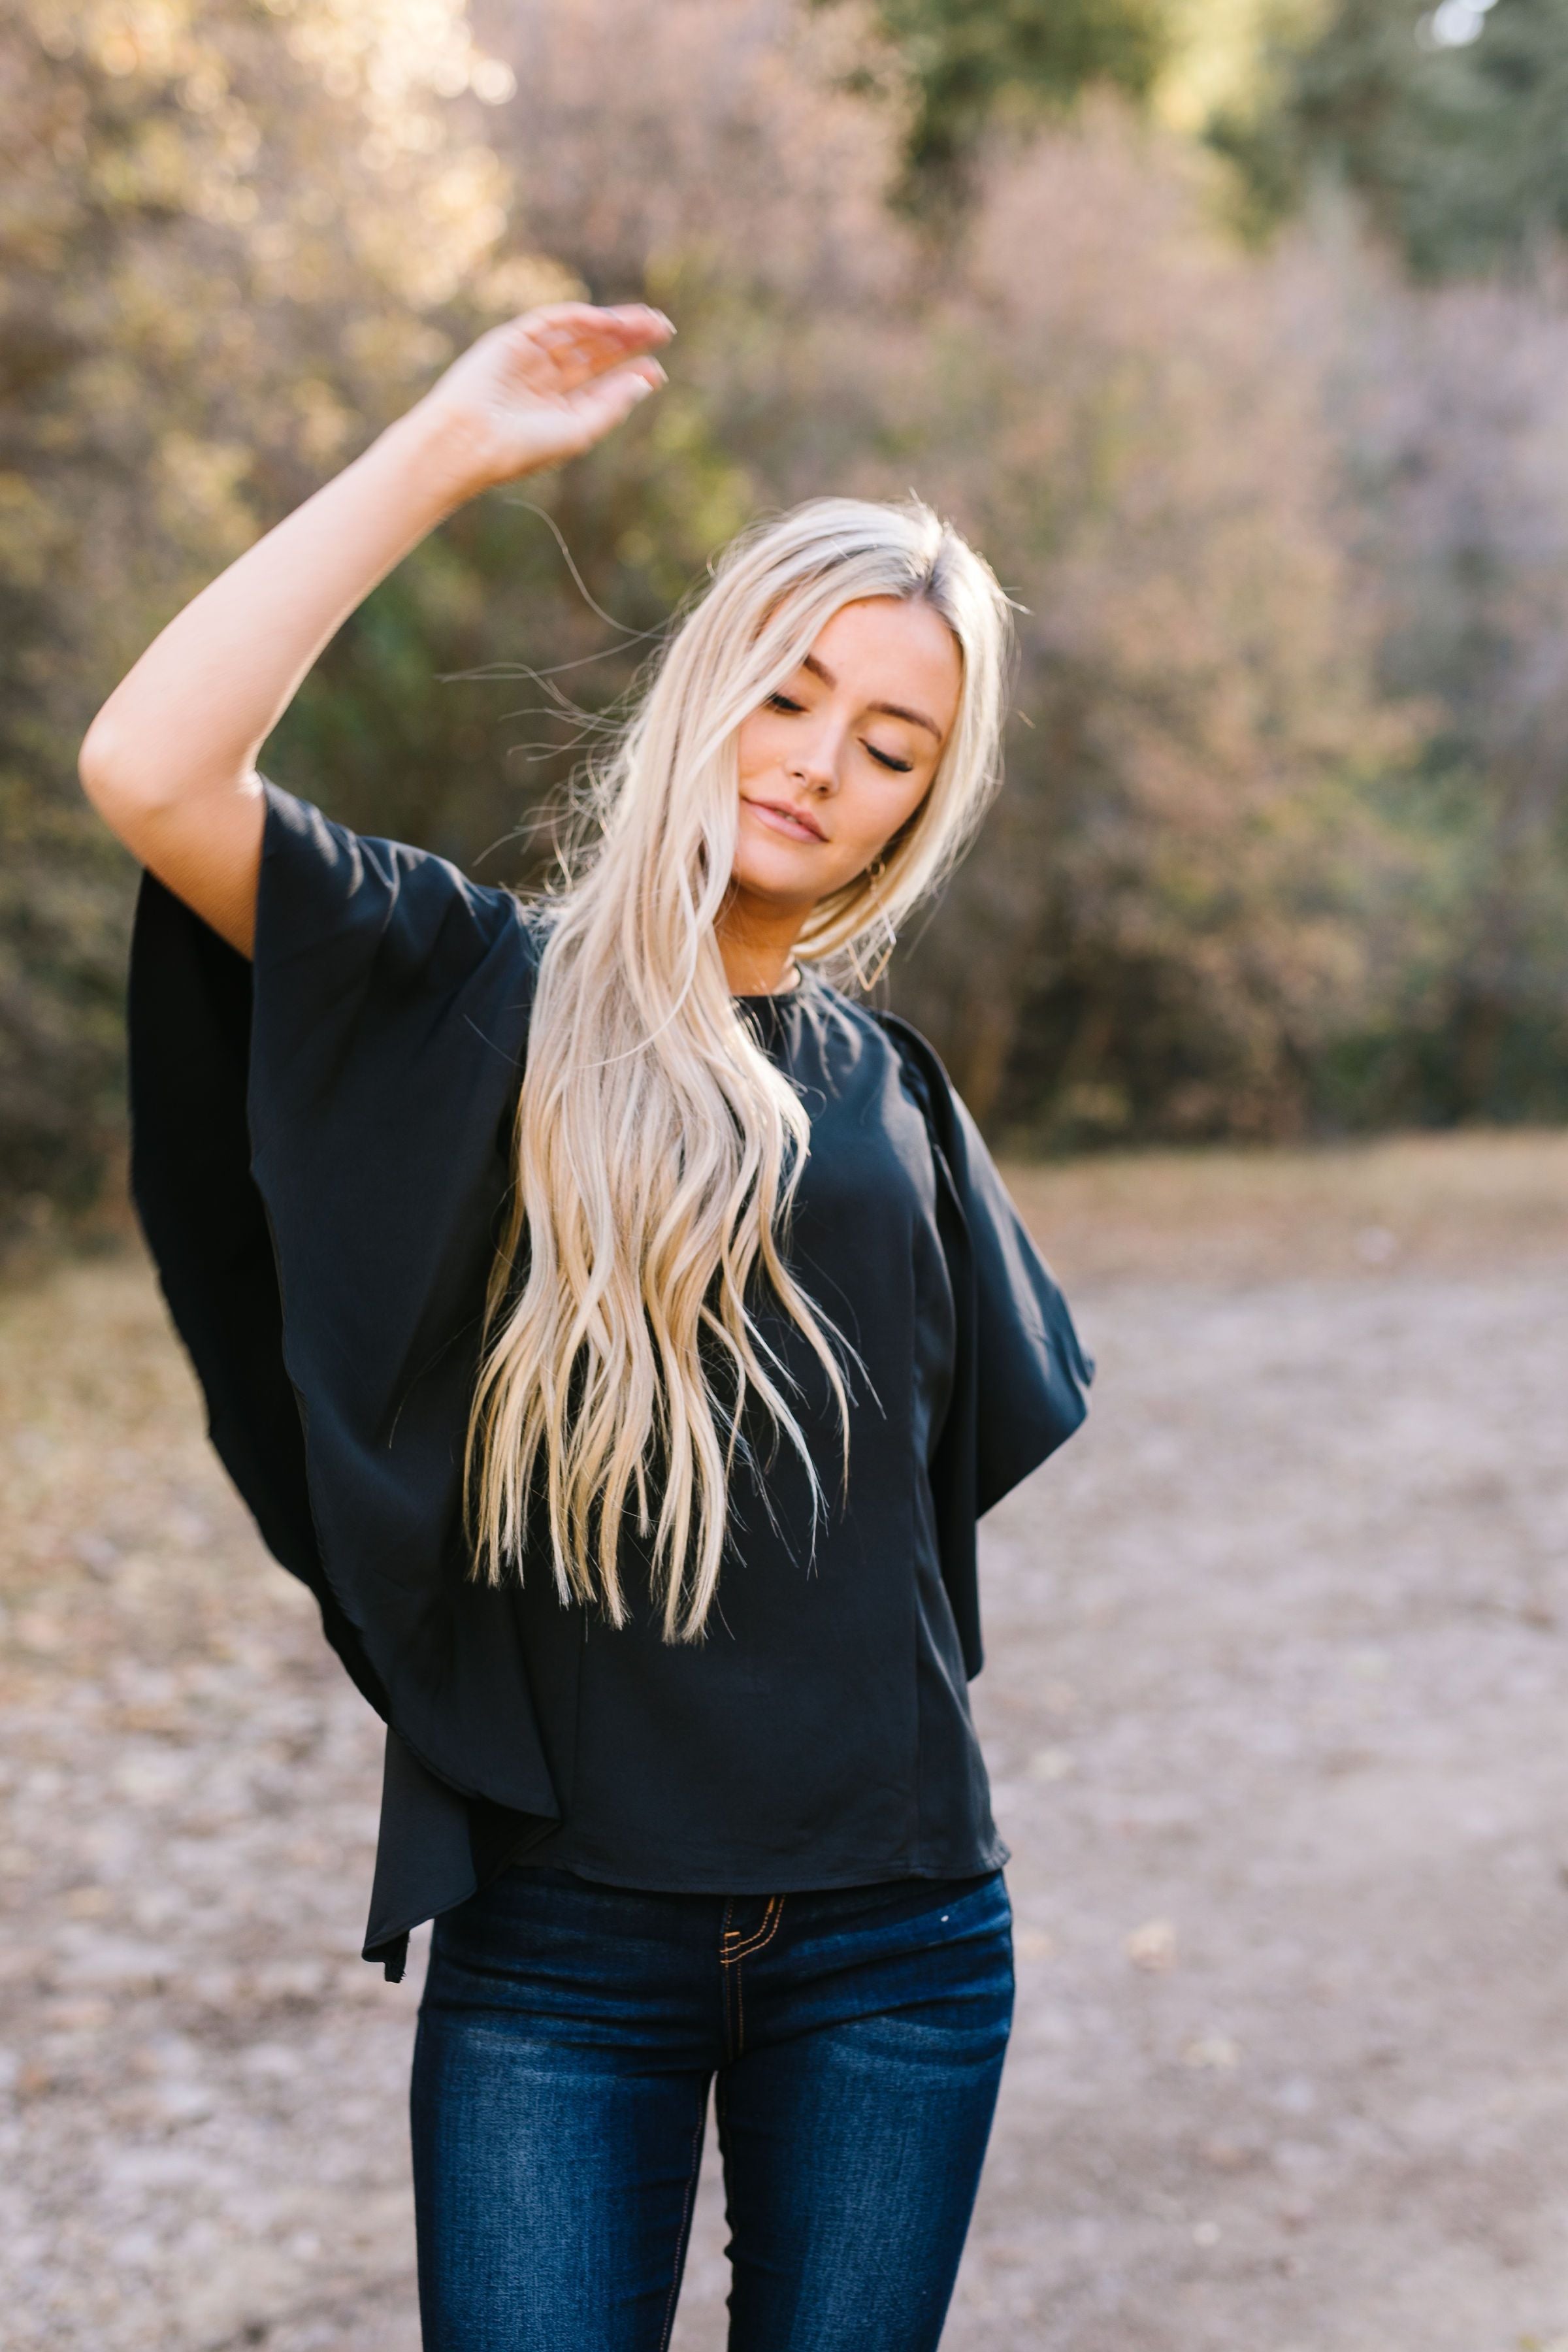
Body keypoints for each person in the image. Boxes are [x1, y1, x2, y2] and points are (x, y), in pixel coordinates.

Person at [79, 301, 1094, 2352]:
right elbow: (148, 763)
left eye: (889, 745)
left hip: (899, 1947)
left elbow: (944, 1474)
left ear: (922, 806)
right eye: (789, 695)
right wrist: (445, 450)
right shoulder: (470, 986)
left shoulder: (890, 1087)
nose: (820, 762)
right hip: (557, 1955)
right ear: (705, 691)